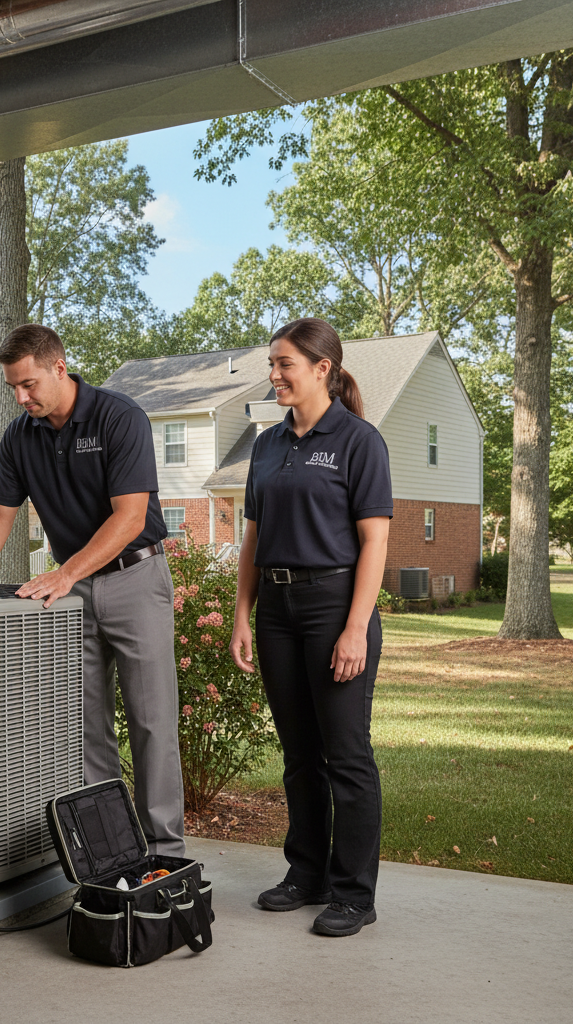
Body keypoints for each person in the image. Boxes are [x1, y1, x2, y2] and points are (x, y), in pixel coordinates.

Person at [0, 324, 185, 857]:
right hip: (74, 595)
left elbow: (130, 517)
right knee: (85, 728)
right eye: (13, 389)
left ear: (58, 367)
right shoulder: (21, 435)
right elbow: (0, 512)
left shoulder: (119, 417)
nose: (21, 398)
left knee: (152, 722)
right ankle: (109, 850)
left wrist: (66, 572)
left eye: (28, 384)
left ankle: (165, 854)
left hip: (135, 579)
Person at [230, 317, 392, 937]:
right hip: (276, 609)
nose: (273, 375)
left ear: (323, 368)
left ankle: (354, 893)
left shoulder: (358, 441)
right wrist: (243, 614)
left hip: (334, 606)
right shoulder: (267, 445)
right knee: (299, 755)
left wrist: (355, 627)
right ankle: (307, 874)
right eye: (272, 364)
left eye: (284, 365)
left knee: (346, 754)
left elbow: (374, 541)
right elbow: (252, 536)